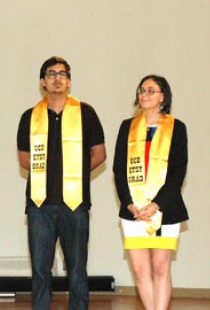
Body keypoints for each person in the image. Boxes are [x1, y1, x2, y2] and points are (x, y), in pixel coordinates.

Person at [16, 56, 106, 309]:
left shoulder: (85, 113)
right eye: (51, 74)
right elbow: (24, 159)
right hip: (39, 205)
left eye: (63, 74)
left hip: (74, 204)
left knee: (77, 271)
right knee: (41, 271)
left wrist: (74, 174)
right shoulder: (29, 117)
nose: (57, 78)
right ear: (43, 81)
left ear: (69, 81)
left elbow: (99, 154)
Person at [113, 75, 189, 310]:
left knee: (159, 267)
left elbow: (178, 171)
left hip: (165, 210)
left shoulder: (177, 127)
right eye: (141, 90)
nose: (144, 94)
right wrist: (128, 203)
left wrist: (156, 204)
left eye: (151, 90)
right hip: (134, 210)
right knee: (140, 269)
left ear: (162, 97)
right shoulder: (128, 126)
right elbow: (119, 169)